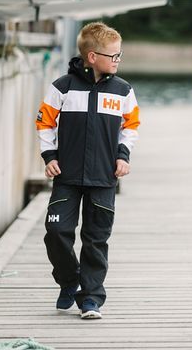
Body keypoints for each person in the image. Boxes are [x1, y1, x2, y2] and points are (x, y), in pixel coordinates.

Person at [35, 22, 140, 319]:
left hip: (104, 178)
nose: (118, 60)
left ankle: (91, 298)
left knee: (96, 239)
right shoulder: (62, 87)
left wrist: (123, 155)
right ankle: (69, 281)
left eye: (120, 55)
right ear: (92, 56)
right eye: (114, 56)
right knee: (56, 231)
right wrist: (49, 155)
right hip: (66, 176)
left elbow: (130, 127)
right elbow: (44, 122)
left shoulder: (123, 91)